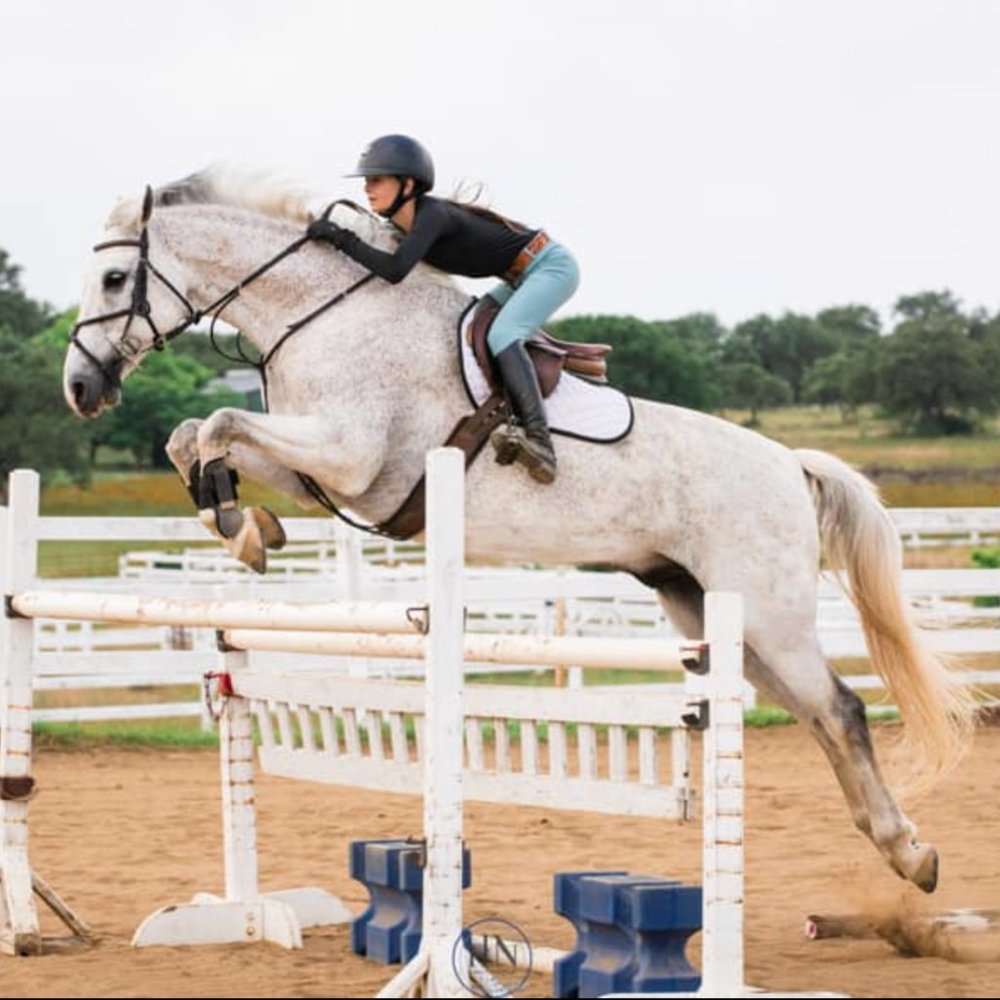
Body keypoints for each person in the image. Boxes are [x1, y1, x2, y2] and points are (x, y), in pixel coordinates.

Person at [306, 134, 580, 485]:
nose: (367, 188)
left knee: (503, 334)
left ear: (407, 184)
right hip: (518, 278)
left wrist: (341, 239)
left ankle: (540, 441)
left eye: (376, 180)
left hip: (549, 267)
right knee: (466, 324)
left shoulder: (431, 215)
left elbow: (394, 271)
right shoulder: (404, 225)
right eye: (365, 181)